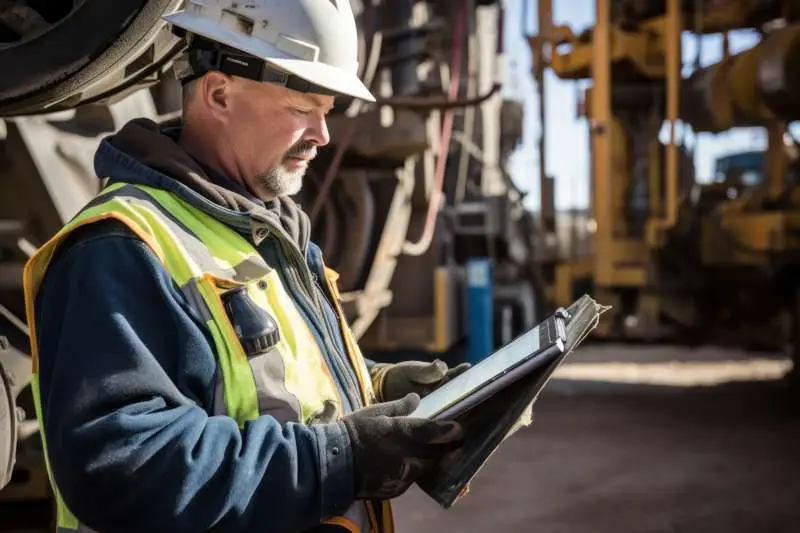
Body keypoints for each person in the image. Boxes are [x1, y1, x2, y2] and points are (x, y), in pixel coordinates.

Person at [22, 2, 470, 533]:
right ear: (218, 94)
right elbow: (124, 464)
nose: (323, 134)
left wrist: (379, 386)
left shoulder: (268, 232)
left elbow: (280, 386)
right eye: (303, 107)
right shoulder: (120, 248)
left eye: (327, 111)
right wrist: (340, 458)